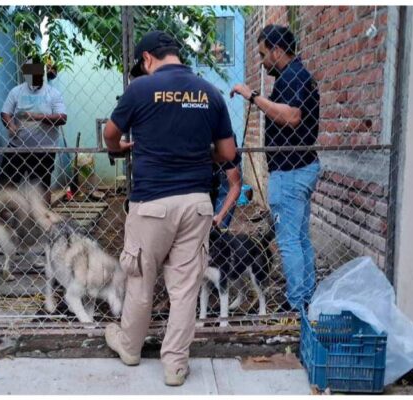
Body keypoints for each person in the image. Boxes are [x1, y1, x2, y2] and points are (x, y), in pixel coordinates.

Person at [103, 30, 236, 386]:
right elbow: (227, 154)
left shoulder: (139, 90)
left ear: (147, 58)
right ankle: (175, 365)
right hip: (196, 204)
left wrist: (121, 148)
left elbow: (110, 134)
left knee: (140, 280)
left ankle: (130, 347)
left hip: (151, 204)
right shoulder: (210, 92)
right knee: (184, 289)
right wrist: (194, 153)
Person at [230, 25, 320, 311]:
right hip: (300, 167)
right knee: (299, 237)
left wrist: (253, 97)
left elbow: (292, 116)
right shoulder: (296, 75)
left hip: (292, 172)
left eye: (263, 54)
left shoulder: (293, 76)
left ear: (277, 51)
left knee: (288, 240)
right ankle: (306, 296)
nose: (262, 61)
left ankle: (297, 305)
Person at [0, 58, 67, 203]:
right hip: (17, 148)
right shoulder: (16, 92)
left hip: (43, 150)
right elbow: (5, 113)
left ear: (41, 74)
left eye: (35, 74)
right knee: (6, 186)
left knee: (41, 190)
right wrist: (11, 126)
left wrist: (37, 116)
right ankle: (4, 220)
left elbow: (62, 118)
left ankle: (42, 222)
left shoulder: (53, 94)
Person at [211, 135, 242, 229]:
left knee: (218, 231)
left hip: (223, 174)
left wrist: (220, 216)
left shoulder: (225, 135)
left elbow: (235, 186)